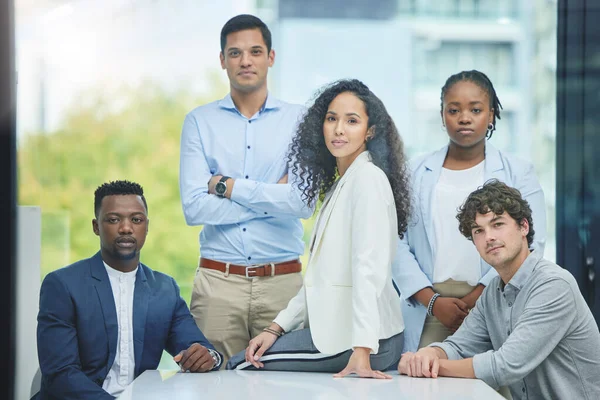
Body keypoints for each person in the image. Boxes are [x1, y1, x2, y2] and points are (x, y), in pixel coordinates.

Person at [226, 79, 411, 378]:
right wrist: (276, 328)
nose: (339, 129)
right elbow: (317, 280)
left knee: (241, 365)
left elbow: (369, 269)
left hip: (362, 341)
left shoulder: (367, 179)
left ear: (370, 131)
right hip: (343, 335)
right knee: (247, 359)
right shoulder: (343, 183)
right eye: (331, 119)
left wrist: (362, 350)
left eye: (352, 121)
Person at [179, 14, 312, 367]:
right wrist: (273, 196)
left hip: (284, 285)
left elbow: (302, 202)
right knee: (210, 385)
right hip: (218, 285)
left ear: (271, 56)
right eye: (235, 53)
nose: (246, 61)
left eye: (255, 51)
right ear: (222, 60)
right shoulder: (199, 122)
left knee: (290, 387)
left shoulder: (301, 120)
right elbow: (194, 208)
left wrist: (227, 187)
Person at [398, 179, 600, 400]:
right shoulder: (494, 291)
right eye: (478, 231)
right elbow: (460, 345)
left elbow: (505, 366)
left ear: (524, 226)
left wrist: (434, 366)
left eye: (498, 224)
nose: (489, 237)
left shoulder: (554, 285)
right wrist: (429, 353)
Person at [392, 70, 547, 355]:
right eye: (454, 110)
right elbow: (394, 240)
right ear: (442, 115)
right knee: (425, 383)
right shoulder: (413, 171)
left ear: (491, 115)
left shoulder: (519, 172)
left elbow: (534, 241)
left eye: (475, 109)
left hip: (495, 300)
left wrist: (479, 297)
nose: (465, 118)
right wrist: (432, 301)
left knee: (491, 388)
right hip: (430, 308)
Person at [36, 180, 220, 400]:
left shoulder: (164, 289)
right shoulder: (63, 285)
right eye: (114, 220)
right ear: (96, 227)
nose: (125, 228)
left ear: (147, 226)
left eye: (136, 219)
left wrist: (207, 357)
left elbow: (197, 346)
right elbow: (60, 375)